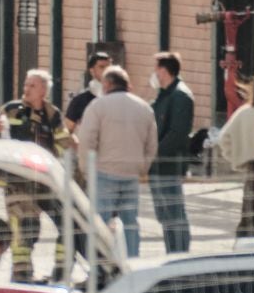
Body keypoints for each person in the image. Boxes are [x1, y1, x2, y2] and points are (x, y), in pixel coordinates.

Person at [0, 69, 70, 280]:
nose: (26, 89)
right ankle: (21, 272)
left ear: (43, 91)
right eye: (25, 85)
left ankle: (61, 270)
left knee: (66, 222)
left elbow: (63, 143)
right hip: (17, 182)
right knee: (25, 227)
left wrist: (54, 160)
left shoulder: (52, 114)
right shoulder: (11, 110)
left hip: (45, 181)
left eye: (32, 86)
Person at [75, 64, 157, 260]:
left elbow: (86, 141)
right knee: (130, 223)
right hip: (131, 174)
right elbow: (151, 144)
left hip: (104, 173)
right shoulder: (144, 108)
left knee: (99, 223)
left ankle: (98, 265)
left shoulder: (97, 107)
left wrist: (87, 171)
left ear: (107, 84)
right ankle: (132, 263)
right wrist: (142, 168)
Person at [149, 50, 194, 253]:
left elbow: (177, 133)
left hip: (169, 165)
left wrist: (153, 155)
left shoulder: (180, 96)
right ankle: (172, 253)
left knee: (174, 215)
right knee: (165, 215)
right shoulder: (165, 95)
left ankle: (179, 254)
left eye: (156, 68)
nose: (154, 73)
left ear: (164, 71)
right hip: (159, 166)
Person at [217, 73, 254, 240]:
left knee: (250, 214)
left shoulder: (244, 112)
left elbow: (223, 138)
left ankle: (244, 245)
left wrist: (235, 157)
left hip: (253, 167)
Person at [64, 50, 111, 134]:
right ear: (92, 71)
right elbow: (66, 132)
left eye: (109, 67)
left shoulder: (119, 97)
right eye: (101, 67)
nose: (106, 71)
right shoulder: (80, 100)